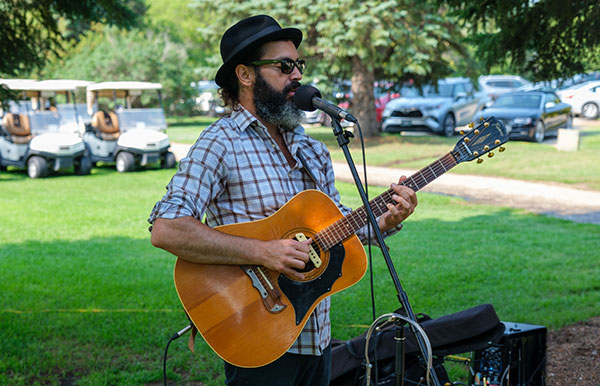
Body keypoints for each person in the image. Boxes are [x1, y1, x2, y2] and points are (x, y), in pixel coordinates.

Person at [148, 14, 418, 386]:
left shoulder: (311, 149)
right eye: (284, 66)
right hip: (256, 334)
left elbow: (335, 226)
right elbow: (167, 230)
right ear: (245, 75)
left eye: (298, 65)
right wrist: (264, 253)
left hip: (316, 334)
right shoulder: (220, 143)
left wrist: (383, 221)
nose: (297, 76)